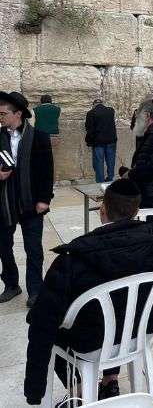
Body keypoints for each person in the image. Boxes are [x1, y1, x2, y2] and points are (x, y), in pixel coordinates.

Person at [24, 179, 153, 404]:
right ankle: (110, 380)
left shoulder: (72, 259)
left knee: (50, 326)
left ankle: (80, 388)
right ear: (137, 212)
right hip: (141, 332)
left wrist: (34, 391)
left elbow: (42, 321)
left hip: (90, 343)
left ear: (102, 211)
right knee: (120, 310)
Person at [0, 92, 54, 307]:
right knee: (4, 246)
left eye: (3, 113)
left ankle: (35, 289)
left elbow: (46, 171)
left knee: (33, 249)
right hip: (4, 203)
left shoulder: (39, 137)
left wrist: (44, 199)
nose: (0, 117)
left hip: (31, 202)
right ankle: (12, 284)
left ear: (18, 114)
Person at [85, 98, 117, 184]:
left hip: (98, 141)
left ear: (93, 105)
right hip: (111, 140)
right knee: (111, 160)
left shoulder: (91, 113)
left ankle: (100, 181)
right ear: (102, 104)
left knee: (99, 162)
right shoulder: (110, 111)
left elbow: (89, 129)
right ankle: (110, 178)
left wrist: (88, 142)